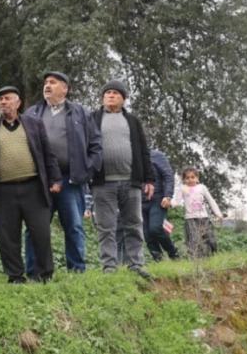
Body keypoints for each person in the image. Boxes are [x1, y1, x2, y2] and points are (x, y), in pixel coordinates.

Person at [0, 86, 62, 284]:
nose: (3, 102)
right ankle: (15, 276)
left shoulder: (34, 124)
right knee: (7, 237)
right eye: (0, 99)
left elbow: (48, 154)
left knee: (41, 232)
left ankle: (44, 275)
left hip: (34, 188)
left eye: (7, 98)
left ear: (18, 103)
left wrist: (56, 179)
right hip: (3, 191)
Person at [23, 71, 102, 275]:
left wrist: (87, 169)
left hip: (71, 180)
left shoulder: (80, 112)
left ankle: (76, 271)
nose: (47, 86)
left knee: (74, 227)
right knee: (35, 228)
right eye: (46, 83)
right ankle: (34, 273)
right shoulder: (32, 113)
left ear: (65, 88)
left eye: (53, 82)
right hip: (41, 181)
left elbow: (96, 145)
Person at [90, 80, 155, 279]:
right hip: (102, 182)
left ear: (123, 99)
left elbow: (144, 151)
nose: (111, 95)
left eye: (115, 93)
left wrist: (149, 179)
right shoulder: (92, 118)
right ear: (102, 97)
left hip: (130, 181)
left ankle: (135, 264)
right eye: (107, 93)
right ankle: (109, 267)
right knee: (106, 227)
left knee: (134, 224)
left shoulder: (133, 121)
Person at [173, 167, 223, 258]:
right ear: (184, 179)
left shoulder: (202, 187)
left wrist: (218, 214)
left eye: (192, 177)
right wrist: (169, 204)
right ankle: (196, 261)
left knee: (210, 239)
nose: (190, 179)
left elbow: (211, 200)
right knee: (193, 241)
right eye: (187, 178)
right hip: (190, 218)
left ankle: (211, 257)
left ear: (197, 178)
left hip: (204, 217)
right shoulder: (183, 188)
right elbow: (176, 202)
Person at [143, 148, 179, 261]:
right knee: (147, 236)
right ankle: (160, 261)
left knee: (155, 229)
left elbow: (168, 175)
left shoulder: (156, 155)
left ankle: (174, 254)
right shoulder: (131, 160)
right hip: (138, 202)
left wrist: (168, 196)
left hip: (158, 199)